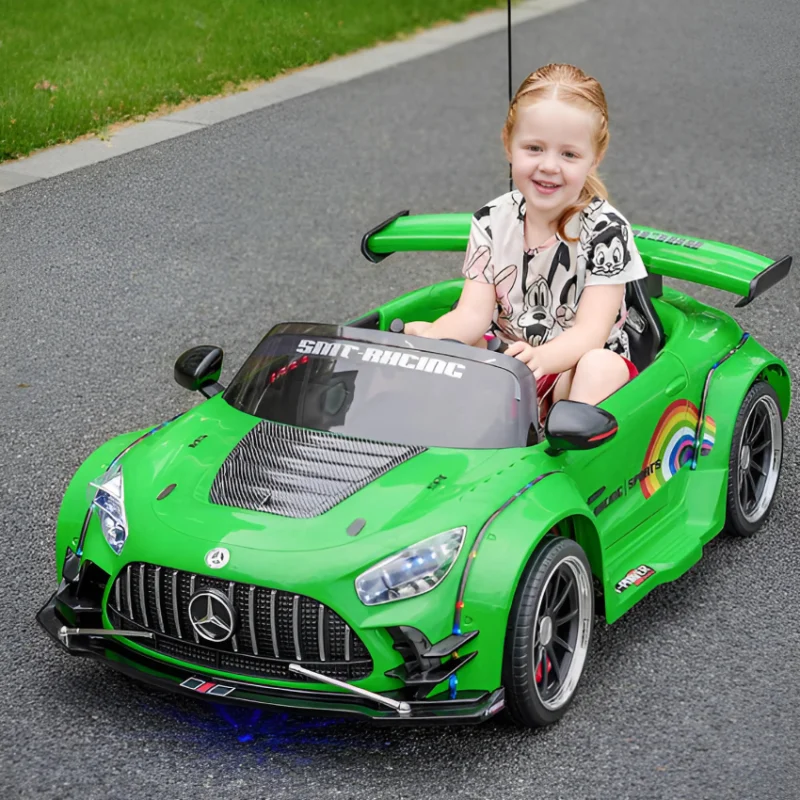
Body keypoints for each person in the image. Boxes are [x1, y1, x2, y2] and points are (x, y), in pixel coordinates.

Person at [406, 63, 648, 415]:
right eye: (534, 148)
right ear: (508, 144)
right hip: (508, 364)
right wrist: (433, 340)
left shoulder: (606, 230)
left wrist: (542, 358)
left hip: (572, 372)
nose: (549, 166)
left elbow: (591, 332)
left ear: (595, 157)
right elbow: (473, 313)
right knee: (429, 332)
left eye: (568, 154)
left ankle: (570, 449)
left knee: (599, 364)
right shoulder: (490, 221)